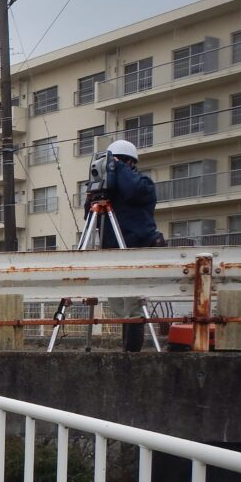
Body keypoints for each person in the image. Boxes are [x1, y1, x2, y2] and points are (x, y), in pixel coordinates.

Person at [90, 139, 166, 352]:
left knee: (133, 307)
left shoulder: (144, 185)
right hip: (112, 254)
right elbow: (91, 218)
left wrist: (118, 167)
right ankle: (128, 349)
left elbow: (132, 190)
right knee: (120, 306)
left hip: (136, 252)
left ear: (128, 164)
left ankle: (131, 355)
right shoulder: (110, 195)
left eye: (114, 163)